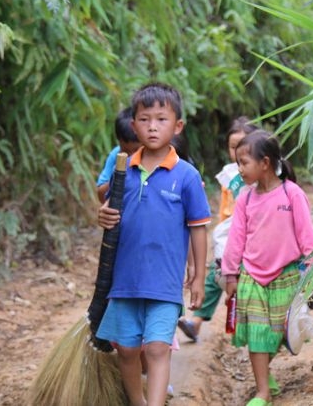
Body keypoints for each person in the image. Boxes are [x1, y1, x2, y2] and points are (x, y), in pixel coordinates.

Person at [97, 82, 211, 406]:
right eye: (145, 119)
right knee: (128, 349)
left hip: (164, 280)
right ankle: (138, 401)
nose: (152, 127)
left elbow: (198, 228)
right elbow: (108, 212)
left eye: (161, 119)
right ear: (133, 125)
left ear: (177, 127)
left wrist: (198, 274)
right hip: (125, 280)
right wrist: (101, 215)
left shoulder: (187, 176)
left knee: (159, 347)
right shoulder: (123, 171)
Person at [221, 130, 313, 406]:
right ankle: (262, 390)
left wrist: (312, 269)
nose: (239, 169)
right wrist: (230, 274)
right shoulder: (245, 199)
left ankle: (265, 372)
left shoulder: (292, 194)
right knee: (257, 332)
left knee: (277, 332)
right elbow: (235, 239)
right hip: (251, 276)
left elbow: (307, 236)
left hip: (285, 275)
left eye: (244, 162)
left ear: (264, 163)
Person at [178, 116, 259, 342]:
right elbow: (225, 211)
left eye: (244, 146)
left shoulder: (259, 172)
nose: (238, 152)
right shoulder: (228, 176)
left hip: (253, 237)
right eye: (233, 147)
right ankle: (196, 321)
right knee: (216, 277)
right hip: (231, 236)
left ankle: (251, 328)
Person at [96, 107, 141, 204]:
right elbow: (101, 196)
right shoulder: (116, 155)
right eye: (125, 150)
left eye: (137, 151)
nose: (131, 157)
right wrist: (117, 178)